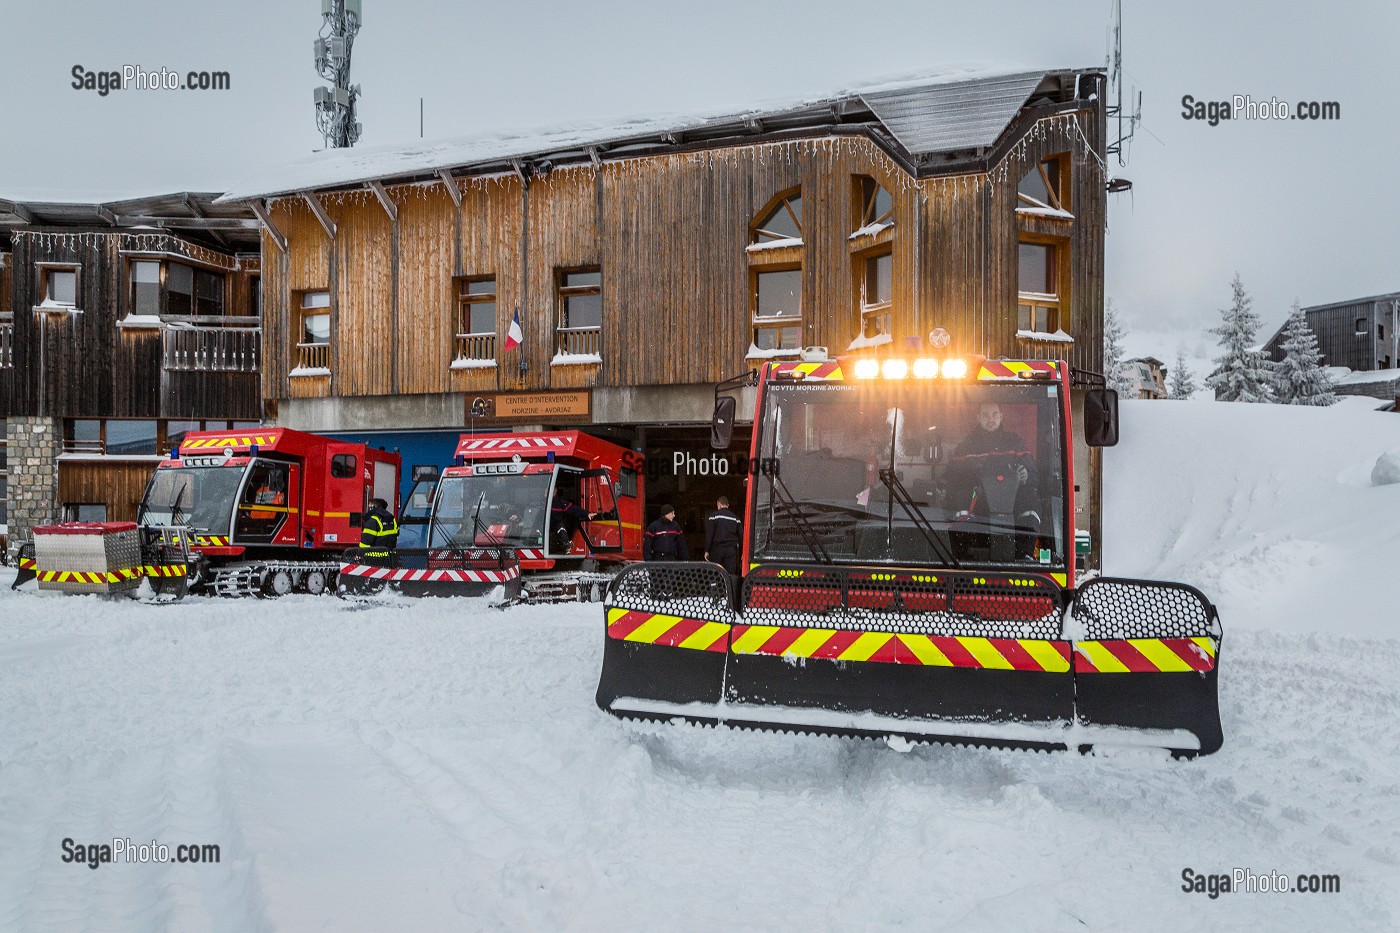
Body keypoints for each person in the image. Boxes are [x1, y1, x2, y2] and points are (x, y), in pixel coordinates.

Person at [948, 402, 1041, 551]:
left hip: (1014, 502)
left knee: (1030, 497)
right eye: (985, 415)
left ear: (1001, 416)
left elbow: (1035, 478)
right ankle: (965, 554)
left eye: (994, 414)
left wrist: (1026, 476)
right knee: (962, 496)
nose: (990, 419)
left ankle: (1024, 553)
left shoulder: (1015, 442)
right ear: (978, 417)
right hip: (978, 501)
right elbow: (952, 478)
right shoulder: (966, 446)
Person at [703, 496, 742, 574]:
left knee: (714, 573)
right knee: (730, 574)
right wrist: (742, 553)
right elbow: (741, 536)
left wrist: (706, 550)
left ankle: (714, 586)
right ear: (728, 505)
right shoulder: (736, 518)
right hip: (731, 550)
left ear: (719, 504)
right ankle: (729, 586)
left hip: (716, 549)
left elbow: (709, 534)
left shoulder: (714, 516)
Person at [359, 497, 400, 565]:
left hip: (374, 559)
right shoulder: (392, 520)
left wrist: (359, 555)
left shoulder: (373, 520)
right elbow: (396, 537)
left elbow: (366, 542)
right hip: (390, 557)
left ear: (373, 507)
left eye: (369, 506)